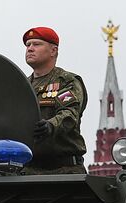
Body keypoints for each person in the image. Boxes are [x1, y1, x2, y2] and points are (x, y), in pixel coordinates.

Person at [21, 26, 87, 175]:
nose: (30, 49)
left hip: (64, 171)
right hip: (28, 170)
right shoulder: (22, 85)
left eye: (36, 44)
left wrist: (50, 125)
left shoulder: (66, 81)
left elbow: (69, 115)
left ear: (53, 51)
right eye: (28, 45)